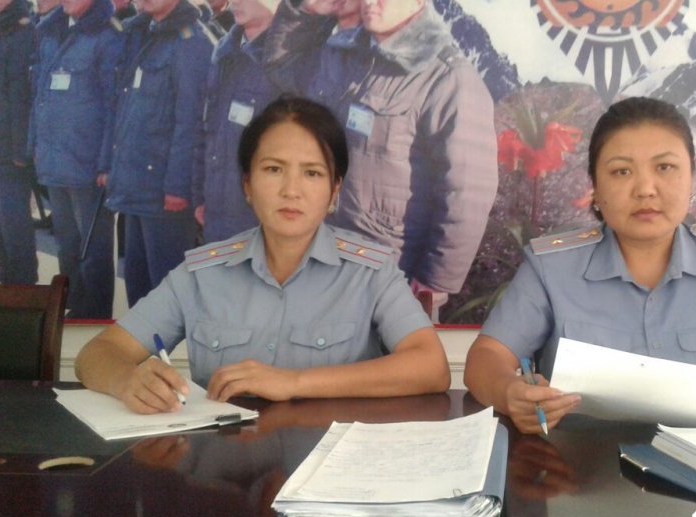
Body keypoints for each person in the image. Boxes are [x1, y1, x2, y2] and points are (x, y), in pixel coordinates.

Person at [464, 97, 696, 436]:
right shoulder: (552, 268)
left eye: (665, 167)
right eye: (621, 172)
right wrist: (510, 392)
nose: (645, 188)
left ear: (691, 179)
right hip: (578, 470)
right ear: (595, 188)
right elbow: (486, 360)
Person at [76, 96, 450, 414]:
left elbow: (431, 367)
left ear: (335, 191)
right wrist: (128, 380)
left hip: (335, 466)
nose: (291, 190)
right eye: (273, 169)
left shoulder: (371, 271)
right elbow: (97, 353)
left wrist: (294, 382)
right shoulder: (201, 273)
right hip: (225, 466)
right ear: (248, 184)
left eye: (312, 173)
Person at [264, 0, 498, 317]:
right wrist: (304, 10)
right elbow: (282, 65)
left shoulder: (447, 78)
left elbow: (468, 191)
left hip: (389, 274)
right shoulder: (343, 53)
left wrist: (435, 280)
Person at [106, 0, 215, 307]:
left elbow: (191, 122)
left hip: (164, 191)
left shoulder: (192, 43)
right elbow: (127, 109)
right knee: (137, 284)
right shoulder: (147, 34)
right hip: (136, 181)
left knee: (167, 292)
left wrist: (178, 187)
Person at [29, 0, 123, 318]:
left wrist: (106, 162)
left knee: (93, 249)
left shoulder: (107, 36)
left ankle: (94, 317)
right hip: (55, 158)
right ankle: (72, 309)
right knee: (67, 244)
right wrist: (35, 144)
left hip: (87, 163)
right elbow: (41, 96)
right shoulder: (52, 31)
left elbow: (114, 106)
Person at [193, 0, 282, 243]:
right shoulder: (225, 52)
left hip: (259, 217)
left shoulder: (287, 59)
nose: (236, 2)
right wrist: (200, 195)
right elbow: (206, 130)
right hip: (217, 208)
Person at [0, 0, 38, 285]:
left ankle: (25, 294)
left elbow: (22, 97)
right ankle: (9, 288)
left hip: (9, 154)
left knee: (15, 229)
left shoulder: (22, 32)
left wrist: (20, 153)